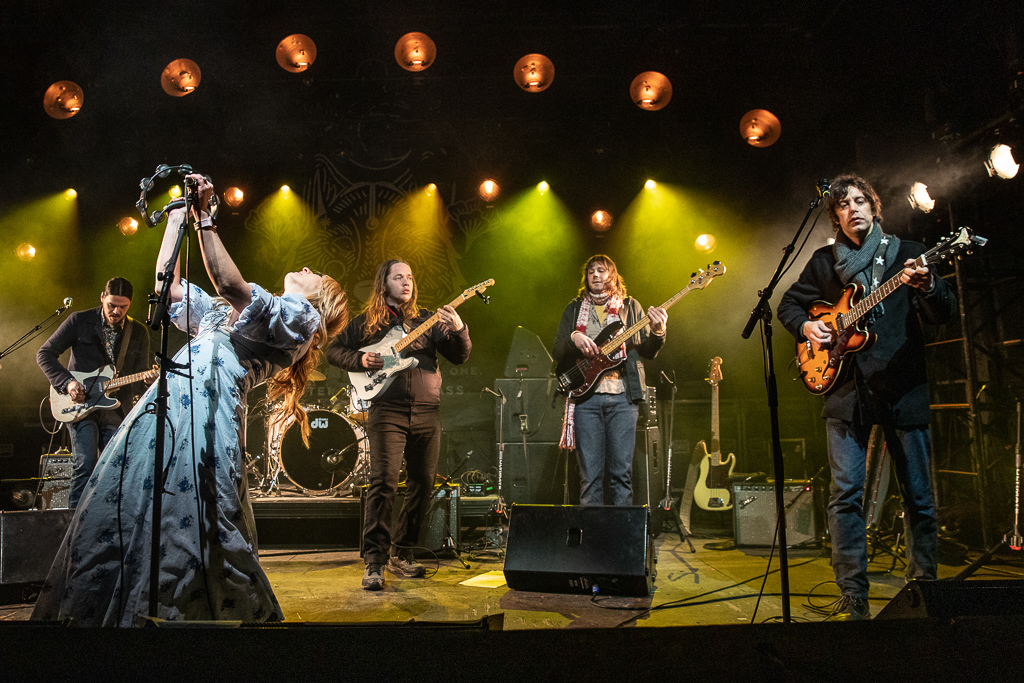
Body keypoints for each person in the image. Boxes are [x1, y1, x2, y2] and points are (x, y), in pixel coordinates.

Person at [32, 175, 348, 625]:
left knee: (204, 508)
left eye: (316, 274)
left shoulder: (301, 318)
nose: (306, 269)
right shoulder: (237, 311)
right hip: (169, 400)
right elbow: (170, 288)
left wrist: (205, 219)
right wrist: (179, 214)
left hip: (210, 409)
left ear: (324, 297)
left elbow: (229, 282)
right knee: (129, 502)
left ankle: (202, 615)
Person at [778, 173, 957, 620]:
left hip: (901, 386)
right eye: (843, 204)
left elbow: (944, 314)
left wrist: (928, 286)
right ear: (835, 216)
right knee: (845, 495)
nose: (853, 208)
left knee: (918, 494)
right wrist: (807, 326)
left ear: (874, 207)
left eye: (860, 201)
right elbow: (787, 305)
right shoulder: (823, 262)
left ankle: (925, 588)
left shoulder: (910, 255)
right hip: (845, 390)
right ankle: (853, 593)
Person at [326, 260, 471, 591]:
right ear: (384, 284)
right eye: (398, 277)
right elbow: (333, 351)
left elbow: (460, 356)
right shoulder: (366, 323)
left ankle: (403, 552)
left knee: (423, 482)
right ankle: (374, 560)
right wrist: (360, 359)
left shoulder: (428, 321)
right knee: (384, 483)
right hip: (387, 410)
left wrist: (459, 328)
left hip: (427, 411)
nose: (406, 282)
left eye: (409, 277)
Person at [552, 255, 667, 507]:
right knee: (589, 478)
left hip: (623, 399)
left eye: (601, 270)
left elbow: (648, 350)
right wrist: (574, 336)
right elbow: (557, 351)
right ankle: (592, 541)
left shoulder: (630, 306)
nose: (596, 275)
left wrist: (658, 331)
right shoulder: (573, 309)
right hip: (585, 401)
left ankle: (620, 540)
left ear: (612, 275)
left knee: (621, 476)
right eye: (591, 271)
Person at [37, 277, 155, 508]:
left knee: (116, 466)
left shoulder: (138, 331)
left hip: (115, 407)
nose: (116, 311)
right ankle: (74, 528)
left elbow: (141, 374)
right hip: (81, 406)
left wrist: (149, 379)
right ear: (102, 298)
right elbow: (45, 354)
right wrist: (68, 383)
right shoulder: (79, 321)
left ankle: (106, 523)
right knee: (86, 463)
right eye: (111, 305)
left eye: (123, 307)